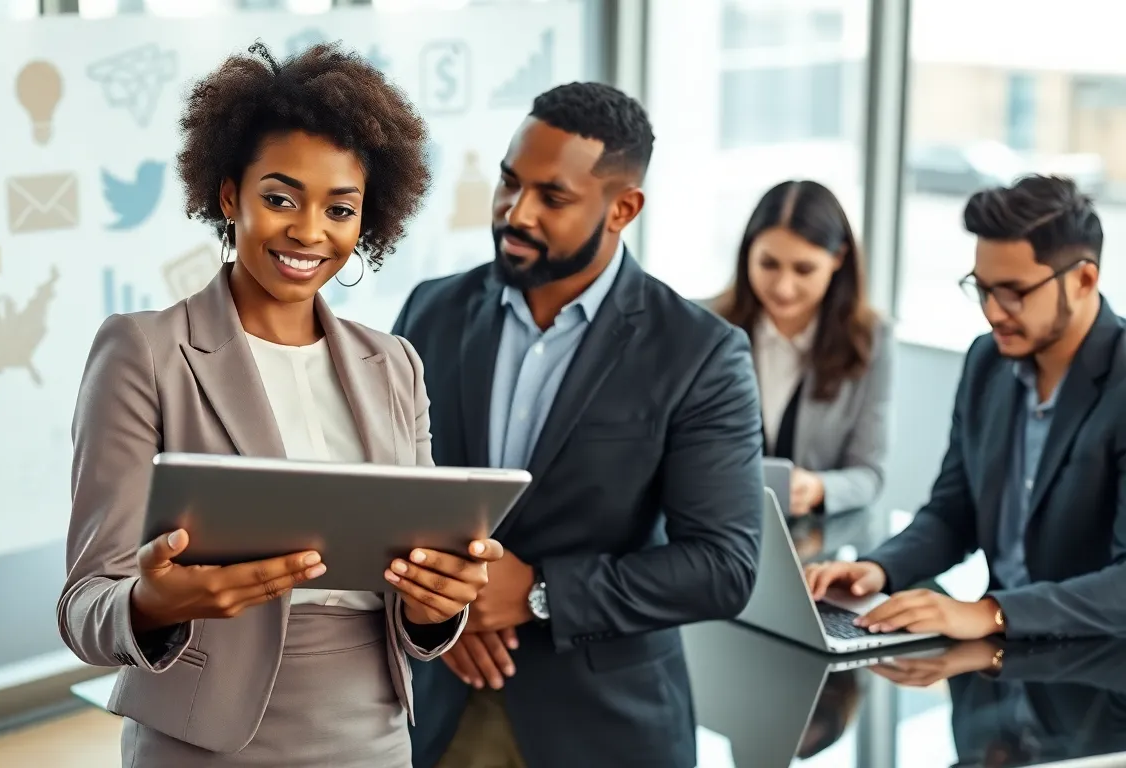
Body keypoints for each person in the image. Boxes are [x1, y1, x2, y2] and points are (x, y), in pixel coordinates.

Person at [58, 42, 502, 767]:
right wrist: (155, 605)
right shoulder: (144, 352)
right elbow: (85, 605)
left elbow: (417, 601)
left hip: (371, 731)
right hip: (202, 734)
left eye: (340, 209)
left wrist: (437, 602)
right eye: (280, 198)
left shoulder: (394, 365)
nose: (308, 231)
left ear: (369, 220)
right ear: (230, 196)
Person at [392, 82, 765, 768]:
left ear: (623, 208)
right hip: (434, 709)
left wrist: (536, 594)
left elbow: (722, 566)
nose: (514, 212)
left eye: (552, 198)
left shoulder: (698, 353)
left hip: (606, 728)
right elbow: (385, 492)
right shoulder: (432, 311)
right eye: (509, 183)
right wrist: (446, 606)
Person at [805, 175, 1126, 641]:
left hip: (1096, 677)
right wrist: (877, 568)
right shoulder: (987, 362)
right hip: (996, 667)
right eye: (982, 288)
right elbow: (953, 514)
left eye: (1014, 291)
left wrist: (991, 612)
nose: (993, 312)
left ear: (1084, 280)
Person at [712, 180, 893, 516]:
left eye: (804, 269)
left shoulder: (872, 339)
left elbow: (869, 473)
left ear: (838, 258)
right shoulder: (705, 326)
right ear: (747, 252)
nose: (783, 287)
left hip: (811, 545)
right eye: (768, 264)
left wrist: (819, 489)